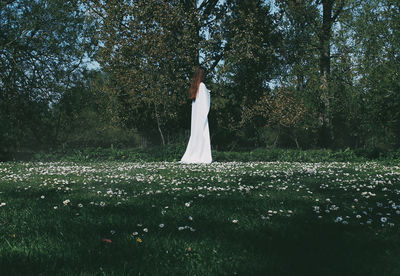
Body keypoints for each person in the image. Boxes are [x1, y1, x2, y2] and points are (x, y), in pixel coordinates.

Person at [180, 66, 212, 164]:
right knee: (202, 136)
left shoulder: (195, 87)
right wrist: (208, 93)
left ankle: (194, 154)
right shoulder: (201, 86)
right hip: (201, 118)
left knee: (196, 136)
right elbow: (205, 102)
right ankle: (201, 156)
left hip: (196, 119)